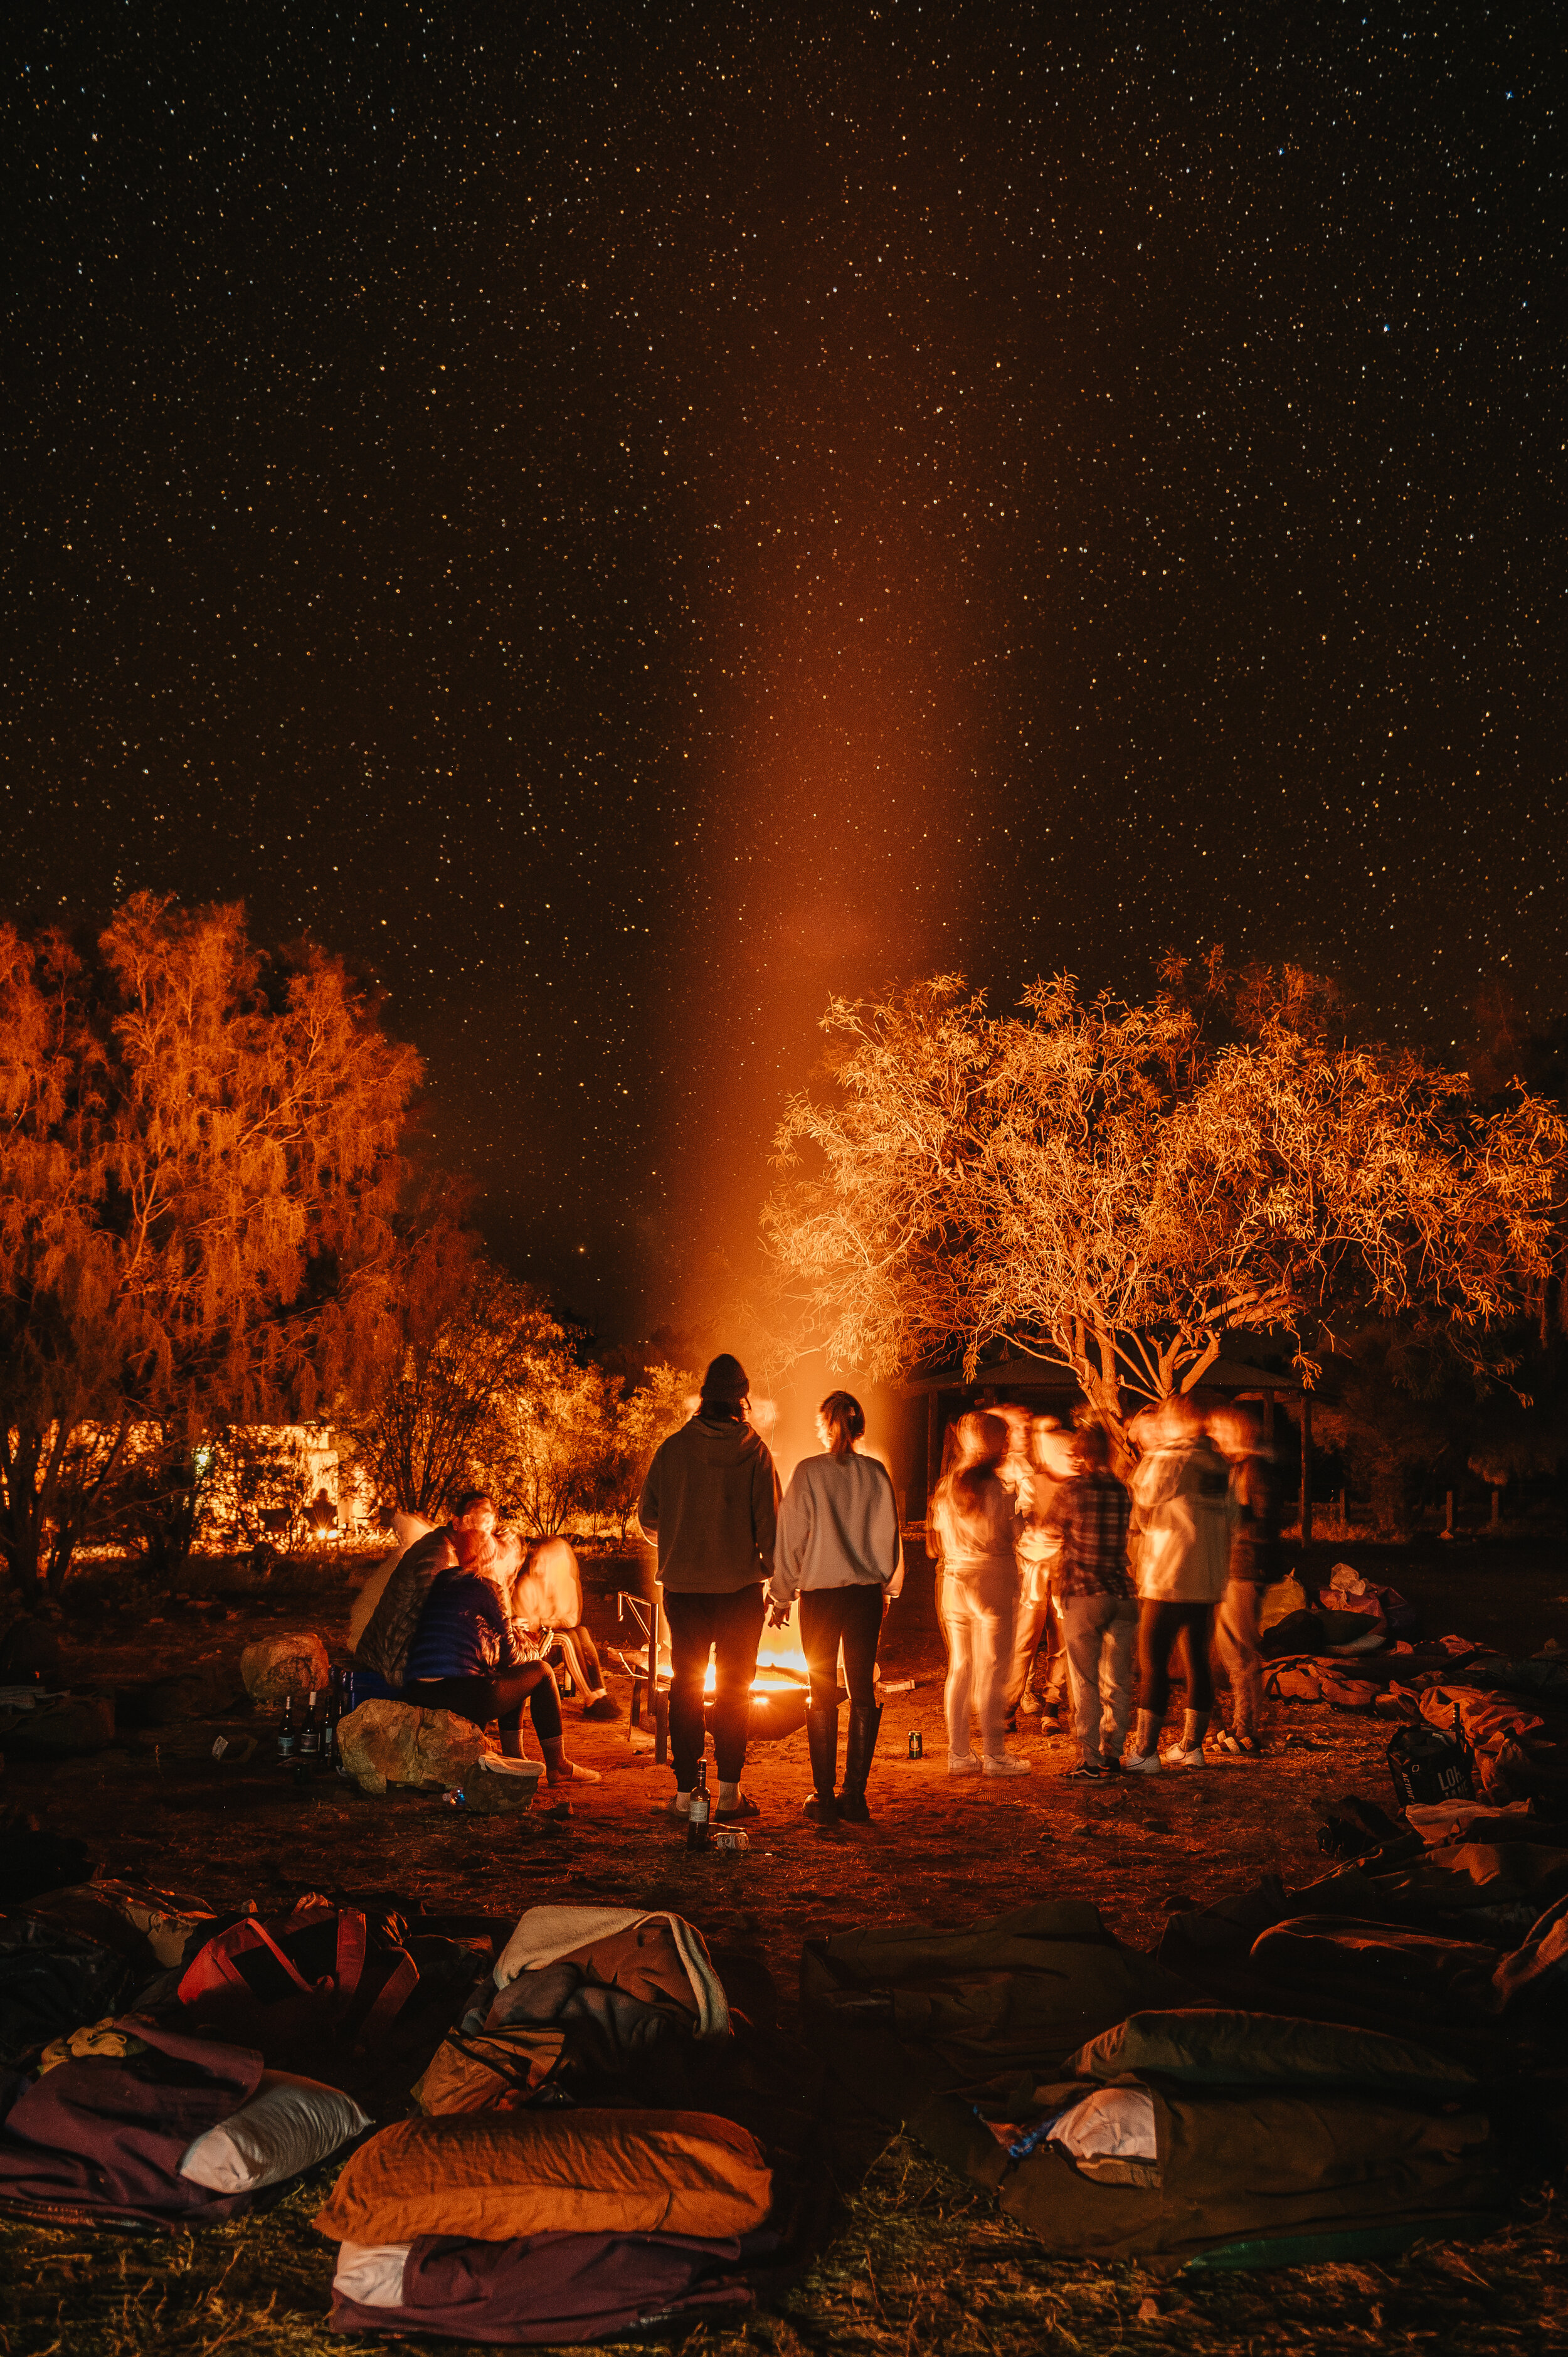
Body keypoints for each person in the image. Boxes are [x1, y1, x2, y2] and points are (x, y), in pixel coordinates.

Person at [637, 1352, 781, 1823]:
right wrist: (774, 1577)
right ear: (742, 1402)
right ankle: (729, 1794)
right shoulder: (756, 1452)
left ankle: (684, 1797)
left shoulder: (673, 1449)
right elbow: (772, 1530)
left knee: (686, 1686)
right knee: (736, 1691)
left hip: (684, 1589)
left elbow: (648, 1520)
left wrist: (680, 1539)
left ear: (704, 1398)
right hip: (740, 1591)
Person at [767, 1390, 902, 1825]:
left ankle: (824, 1798)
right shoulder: (876, 1473)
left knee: (821, 1686)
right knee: (862, 1686)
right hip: (864, 1593)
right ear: (858, 1427)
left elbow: (790, 1539)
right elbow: (889, 1540)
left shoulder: (808, 1473)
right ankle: (855, 1796)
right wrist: (888, 1588)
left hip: (820, 1595)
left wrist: (782, 1594)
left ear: (824, 1426)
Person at [400, 1504, 600, 1786]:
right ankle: (558, 1766)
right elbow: (512, 1653)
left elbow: (460, 1632)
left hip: (419, 1689)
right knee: (540, 1672)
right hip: (460, 1694)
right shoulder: (486, 1588)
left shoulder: (443, 1580)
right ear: (488, 1558)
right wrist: (530, 1646)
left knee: (510, 1677)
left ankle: (515, 1757)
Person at [1124, 1394, 1236, 1771]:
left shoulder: (1172, 1457)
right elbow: (1232, 1519)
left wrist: (1153, 1454)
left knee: (1152, 1664)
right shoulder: (1220, 1462)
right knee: (1197, 1663)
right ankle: (1192, 1747)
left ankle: (1144, 1752)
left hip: (1168, 1577)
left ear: (1175, 1421)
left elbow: (1145, 1494)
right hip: (1207, 1580)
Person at [929, 1411, 1030, 1777]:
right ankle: (996, 1756)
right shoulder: (999, 1487)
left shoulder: (947, 1486)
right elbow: (1011, 1534)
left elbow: (937, 1540)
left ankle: (959, 1754)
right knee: (993, 1670)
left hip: (955, 1579)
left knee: (960, 1667)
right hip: (993, 1577)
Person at [1044, 1422, 1136, 1781]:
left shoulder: (1073, 1490)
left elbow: (1050, 1529)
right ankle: (1115, 1753)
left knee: (1085, 1680)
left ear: (1081, 1454)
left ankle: (1092, 1759)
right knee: (1118, 1679)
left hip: (1085, 1592)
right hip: (1123, 1593)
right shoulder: (1122, 1489)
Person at [1209, 1404, 1281, 1759]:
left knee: (1240, 1650)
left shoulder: (1254, 1470)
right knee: (1229, 1649)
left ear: (1238, 1431)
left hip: (1244, 1568)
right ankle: (1239, 1724)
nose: (1214, 1435)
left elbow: (1264, 1523)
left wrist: (1231, 1520)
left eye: (1220, 1428)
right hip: (1233, 1566)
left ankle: (1246, 1727)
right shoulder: (1239, 1468)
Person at [1004, 1413, 1074, 1732]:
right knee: (1025, 1641)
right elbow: (1025, 1516)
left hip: (1065, 1573)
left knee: (1061, 1643)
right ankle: (1008, 1707)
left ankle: (1051, 1708)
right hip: (1035, 1571)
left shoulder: (1077, 1488)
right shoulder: (1034, 1483)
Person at [511, 1536, 621, 1722]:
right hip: (532, 1647)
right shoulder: (527, 1585)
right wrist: (552, 1621)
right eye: (538, 1559)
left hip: (549, 1639)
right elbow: (531, 1627)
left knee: (581, 1632)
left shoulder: (566, 1584)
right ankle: (590, 1699)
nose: (539, 1564)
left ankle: (601, 1694)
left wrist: (549, 1619)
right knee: (565, 1638)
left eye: (546, 1560)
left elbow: (572, 1620)